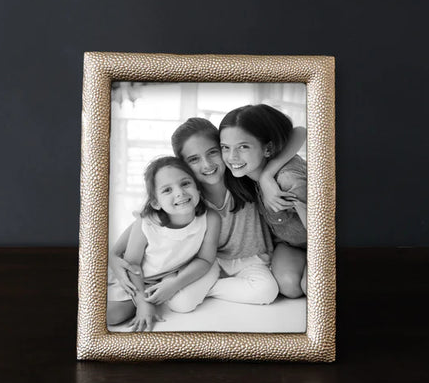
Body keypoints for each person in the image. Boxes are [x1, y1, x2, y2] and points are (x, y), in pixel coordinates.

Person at [110, 116, 305, 309]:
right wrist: (113, 254)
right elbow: (146, 221)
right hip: (209, 262)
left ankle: (209, 289)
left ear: (223, 148)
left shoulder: (242, 175)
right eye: (194, 159)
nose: (207, 164)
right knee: (180, 303)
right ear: (183, 165)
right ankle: (199, 287)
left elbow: (299, 132)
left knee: (266, 291)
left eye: (213, 152)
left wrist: (266, 176)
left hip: (253, 259)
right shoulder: (188, 195)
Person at [107, 156, 221, 331]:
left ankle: (156, 296)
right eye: (167, 190)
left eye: (185, 184)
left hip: (170, 274)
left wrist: (175, 284)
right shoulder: (146, 224)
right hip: (138, 277)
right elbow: (132, 265)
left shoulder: (211, 218)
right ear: (155, 203)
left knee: (180, 302)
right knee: (112, 315)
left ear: (198, 188)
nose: (180, 193)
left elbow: (205, 260)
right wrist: (143, 304)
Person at [219, 104, 307, 298]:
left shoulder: (287, 180)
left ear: (268, 149)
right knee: (289, 287)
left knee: (312, 286)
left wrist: (267, 176)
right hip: (290, 243)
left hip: (319, 242)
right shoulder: (245, 174)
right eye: (225, 147)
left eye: (243, 147)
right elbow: (299, 132)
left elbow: (322, 233)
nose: (232, 157)